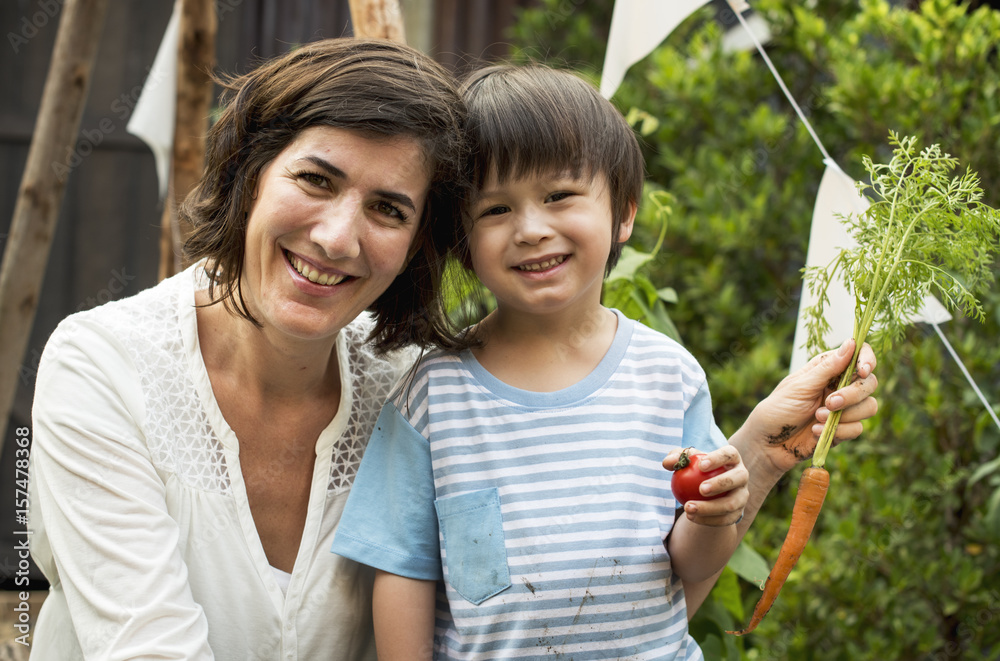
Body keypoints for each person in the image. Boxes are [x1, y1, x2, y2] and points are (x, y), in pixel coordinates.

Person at [331, 64, 879, 659]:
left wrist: (716, 514)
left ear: (623, 213)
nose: (531, 229)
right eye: (495, 210)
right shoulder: (431, 397)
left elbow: (689, 565)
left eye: (559, 196)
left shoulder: (668, 377)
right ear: (461, 241)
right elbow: (402, 572)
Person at [27, 38, 470, 660]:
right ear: (248, 172)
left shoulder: (409, 388)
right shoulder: (103, 365)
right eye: (316, 179)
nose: (338, 238)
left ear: (418, 243)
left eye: (388, 209)